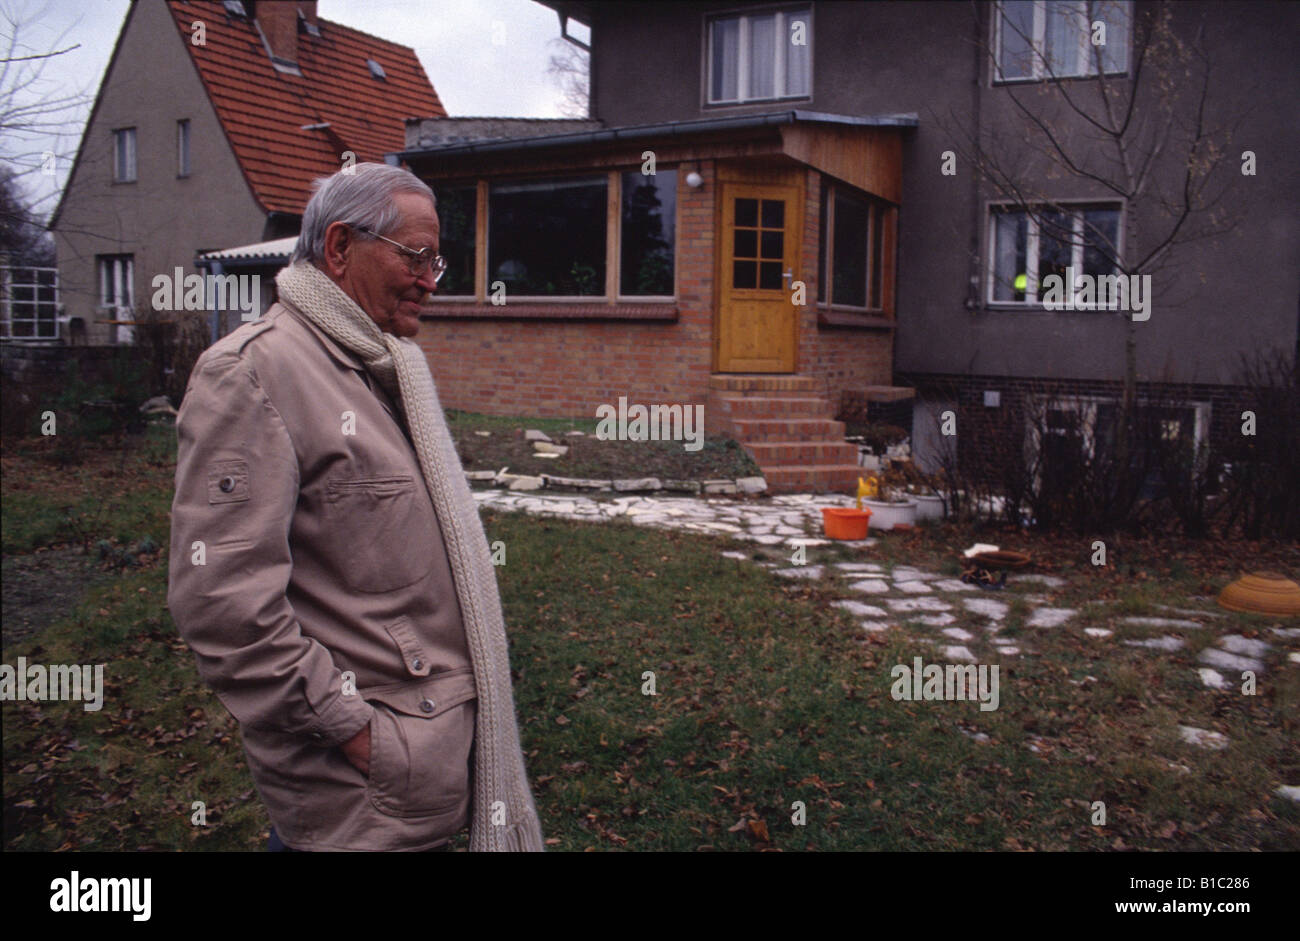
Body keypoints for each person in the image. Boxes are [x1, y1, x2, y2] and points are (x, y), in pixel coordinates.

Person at [167, 163, 544, 851]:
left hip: (415, 775)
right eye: (416, 256)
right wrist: (356, 731)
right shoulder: (253, 373)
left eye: (438, 259)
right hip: (359, 800)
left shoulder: (383, 366)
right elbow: (221, 602)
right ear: (340, 248)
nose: (432, 278)